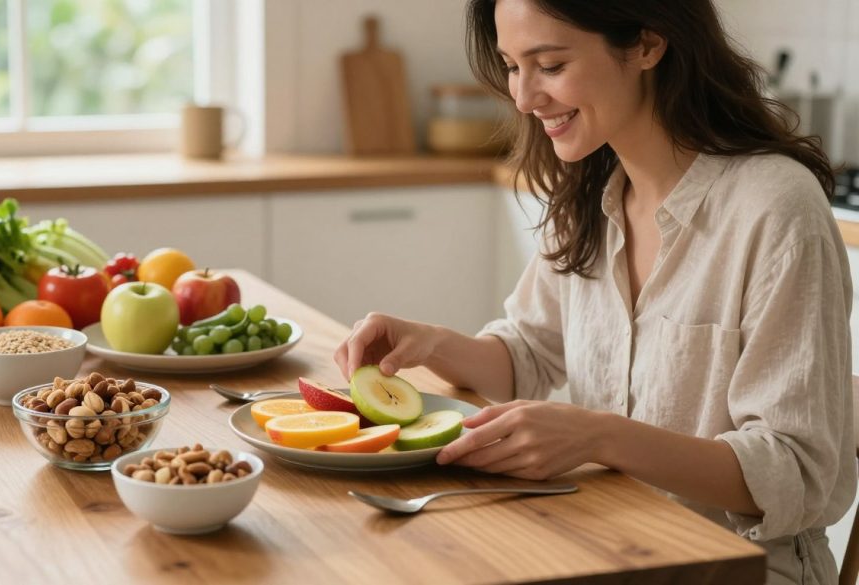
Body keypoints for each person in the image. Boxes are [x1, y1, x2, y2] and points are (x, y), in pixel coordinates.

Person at [333, 1, 856, 582]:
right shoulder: (587, 191)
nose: (524, 98)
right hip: (604, 543)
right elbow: (527, 354)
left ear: (648, 46)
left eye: (550, 66)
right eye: (512, 66)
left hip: (738, 569)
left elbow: (795, 472)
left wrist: (597, 436)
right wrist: (429, 343)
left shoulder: (775, 209)